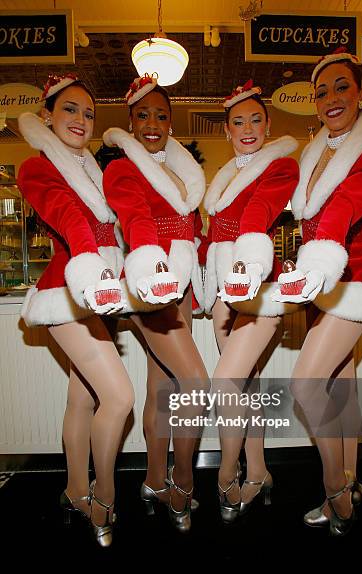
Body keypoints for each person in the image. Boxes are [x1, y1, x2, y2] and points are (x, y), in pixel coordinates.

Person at [278, 48, 362, 535]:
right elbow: (304, 223)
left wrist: (320, 255)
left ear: (360, 94)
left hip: (352, 276)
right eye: (321, 91)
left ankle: (335, 489)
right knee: (341, 385)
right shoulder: (316, 152)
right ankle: (350, 480)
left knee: (306, 384)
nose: (330, 98)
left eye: (341, 87)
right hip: (319, 281)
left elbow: (346, 205)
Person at [17, 74, 133, 547]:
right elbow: (66, 216)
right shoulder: (36, 168)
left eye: (88, 113)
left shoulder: (95, 171)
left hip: (100, 292)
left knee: (82, 398)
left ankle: (73, 489)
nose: (82, 120)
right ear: (47, 115)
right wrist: (91, 265)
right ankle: (103, 498)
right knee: (120, 397)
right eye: (70, 109)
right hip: (69, 290)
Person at [103, 75, 208, 533]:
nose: (152, 123)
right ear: (129, 120)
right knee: (196, 385)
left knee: (162, 388)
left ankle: (152, 479)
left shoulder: (185, 171)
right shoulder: (122, 168)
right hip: (151, 284)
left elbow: (195, 229)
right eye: (142, 114)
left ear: (172, 121)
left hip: (181, 286)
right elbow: (137, 222)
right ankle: (181, 484)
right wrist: (151, 270)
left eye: (161, 115)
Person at [203, 80, 299, 522]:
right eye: (237, 121)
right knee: (245, 384)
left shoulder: (280, 167)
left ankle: (226, 474)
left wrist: (249, 257)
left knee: (226, 381)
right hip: (224, 287)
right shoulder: (223, 178)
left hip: (259, 283)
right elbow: (212, 232)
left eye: (255, 119)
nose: (247, 128)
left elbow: (259, 213)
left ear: (268, 124)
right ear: (225, 129)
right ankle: (258, 471)